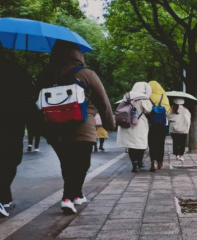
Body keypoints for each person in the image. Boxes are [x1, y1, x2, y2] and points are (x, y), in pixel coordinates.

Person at [36, 41, 115, 215]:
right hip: (82, 125)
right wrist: (109, 124)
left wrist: (41, 128)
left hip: (54, 126)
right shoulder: (86, 73)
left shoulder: (46, 75)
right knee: (81, 163)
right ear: (77, 55)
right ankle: (67, 197)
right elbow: (103, 101)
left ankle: (77, 194)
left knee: (67, 163)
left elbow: (37, 103)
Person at [0, 48, 34, 218]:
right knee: (11, 160)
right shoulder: (15, 69)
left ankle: (4, 195)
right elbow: (30, 97)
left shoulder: (15, 69)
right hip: (12, 121)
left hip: (12, 121)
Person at [117, 82, 153, 173]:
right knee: (140, 144)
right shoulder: (144, 98)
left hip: (127, 122)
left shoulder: (127, 96)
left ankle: (135, 164)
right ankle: (140, 162)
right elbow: (148, 110)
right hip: (140, 124)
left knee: (131, 145)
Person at [148, 81, 170, 171]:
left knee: (152, 143)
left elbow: (146, 109)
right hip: (162, 123)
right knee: (161, 143)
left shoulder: (148, 96)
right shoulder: (164, 96)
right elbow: (168, 110)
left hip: (151, 124)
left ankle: (153, 161)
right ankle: (160, 162)